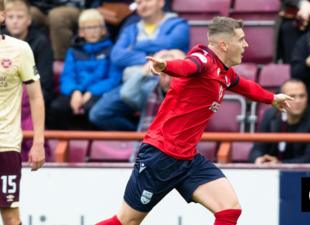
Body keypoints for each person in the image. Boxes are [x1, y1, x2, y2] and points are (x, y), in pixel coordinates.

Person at [96, 16, 293, 225]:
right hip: (161, 156)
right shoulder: (204, 60)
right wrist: (166, 66)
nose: (246, 45)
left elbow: (243, 85)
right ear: (224, 45)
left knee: (229, 209)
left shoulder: (222, 72)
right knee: (127, 221)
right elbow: (187, 66)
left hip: (187, 158)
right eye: (241, 39)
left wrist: (272, 98)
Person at [0, 0, 45, 224]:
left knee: (9, 215)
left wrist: (38, 142)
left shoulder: (19, 49)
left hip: (5, 144)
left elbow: (36, 96)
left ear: (2, 17)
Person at [48, 9, 122, 130]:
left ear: (103, 30)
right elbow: (67, 76)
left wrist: (91, 92)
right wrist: (75, 91)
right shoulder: (73, 52)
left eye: (96, 27)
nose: (92, 31)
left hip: (99, 92)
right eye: (88, 28)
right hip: (76, 91)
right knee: (57, 108)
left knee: (92, 108)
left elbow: (114, 79)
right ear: (81, 32)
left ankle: (91, 144)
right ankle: (68, 142)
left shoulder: (112, 50)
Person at [89, 50, 184, 131]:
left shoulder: (190, 94)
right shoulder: (150, 90)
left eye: (172, 75)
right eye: (163, 75)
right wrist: (146, 68)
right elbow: (126, 93)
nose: (167, 80)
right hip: (147, 149)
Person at [249, 79, 310, 164]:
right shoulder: (270, 115)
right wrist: (259, 159)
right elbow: (257, 149)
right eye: (292, 96)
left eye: (302, 96)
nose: (298, 101)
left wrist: (280, 164)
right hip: (271, 170)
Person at [4, 0, 54, 108]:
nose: (15, 21)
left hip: (34, 94)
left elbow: (45, 82)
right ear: (5, 19)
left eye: (20, 17)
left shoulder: (41, 42)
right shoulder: (1, 40)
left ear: (29, 20)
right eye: (10, 17)